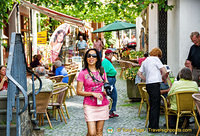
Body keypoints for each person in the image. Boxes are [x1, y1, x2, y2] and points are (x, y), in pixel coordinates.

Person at [76, 48, 109, 136]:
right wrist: (92, 93)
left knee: (99, 132)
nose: (91, 58)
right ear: (86, 58)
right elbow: (78, 91)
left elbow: (106, 84)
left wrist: (106, 90)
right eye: (89, 56)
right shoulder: (82, 73)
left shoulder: (102, 71)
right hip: (89, 105)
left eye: (94, 56)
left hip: (102, 103)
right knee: (92, 132)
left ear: (97, 58)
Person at [137, 47, 167, 132]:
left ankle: (151, 125)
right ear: (158, 55)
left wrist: (146, 79)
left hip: (148, 85)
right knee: (156, 106)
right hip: (155, 84)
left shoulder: (145, 61)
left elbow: (139, 73)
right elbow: (164, 71)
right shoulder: (156, 59)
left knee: (152, 105)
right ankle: (154, 127)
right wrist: (161, 77)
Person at [102, 49, 118, 118]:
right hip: (109, 79)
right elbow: (104, 72)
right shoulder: (105, 61)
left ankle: (112, 110)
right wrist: (106, 82)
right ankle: (108, 111)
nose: (112, 55)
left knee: (114, 95)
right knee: (110, 96)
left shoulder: (108, 61)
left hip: (112, 80)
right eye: (112, 54)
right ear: (109, 54)